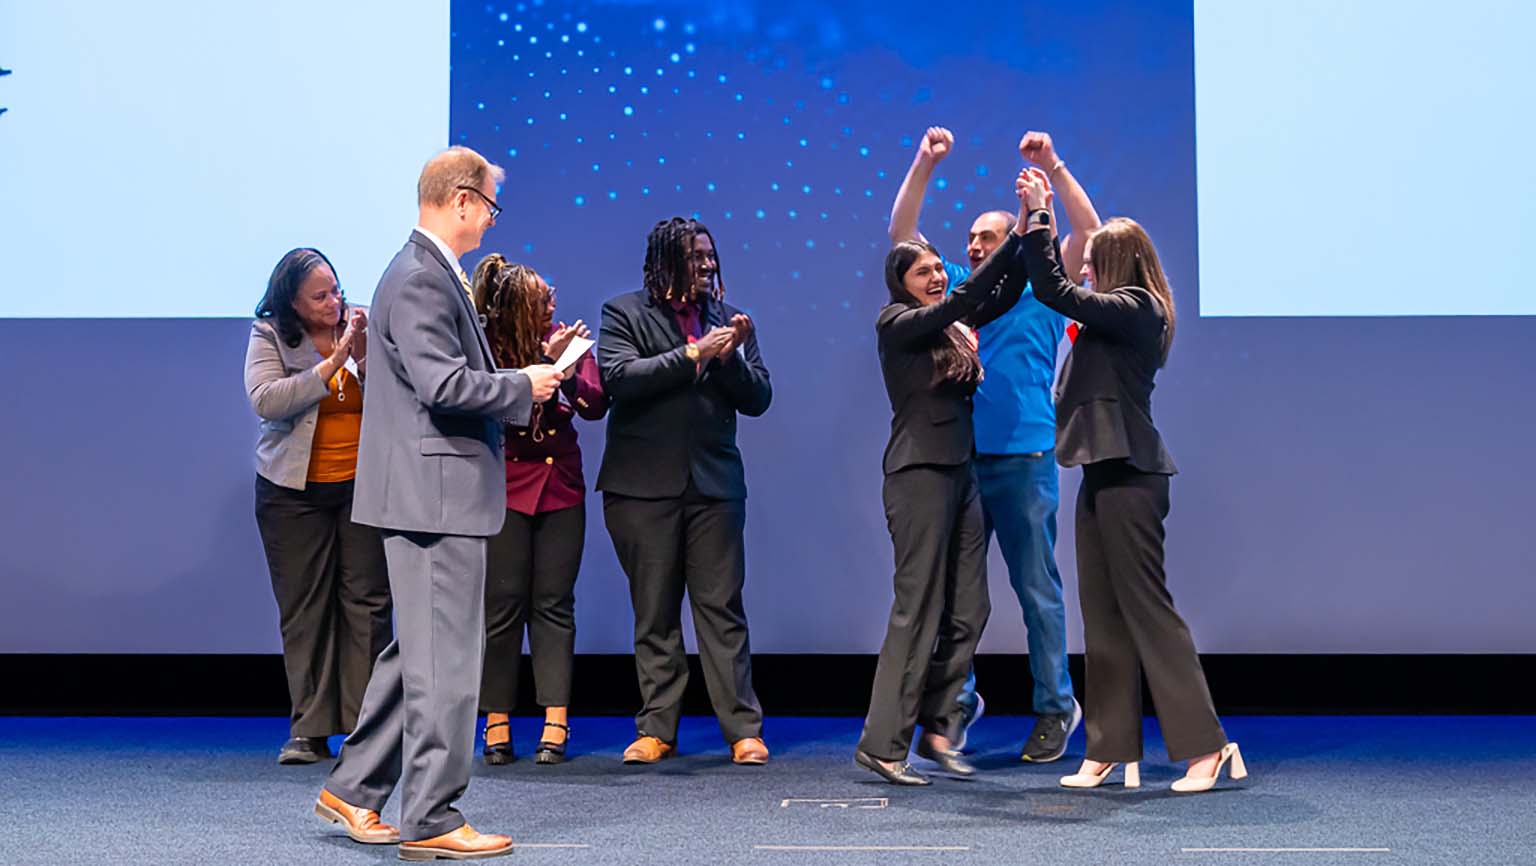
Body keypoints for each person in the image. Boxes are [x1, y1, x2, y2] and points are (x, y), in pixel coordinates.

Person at [312, 146, 565, 860]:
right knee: (446, 663)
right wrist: (526, 385)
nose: (489, 220)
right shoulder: (423, 277)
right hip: (433, 497)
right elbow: (442, 385)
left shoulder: (422, 271)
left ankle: (355, 787)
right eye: (489, 205)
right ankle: (431, 817)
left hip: (430, 494)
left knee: (415, 657)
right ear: (460, 199)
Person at [1013, 168, 1247, 793]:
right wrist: (1054, 187)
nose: (1084, 269)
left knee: (1147, 609)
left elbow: (1055, 288)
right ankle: (1109, 748)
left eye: (1092, 262)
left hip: (1134, 476)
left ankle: (1206, 748)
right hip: (1101, 474)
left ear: (1118, 264)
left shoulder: (1137, 309)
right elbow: (1068, 287)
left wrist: (1039, 216)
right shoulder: (1111, 315)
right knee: (1104, 615)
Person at [890, 127, 1103, 761]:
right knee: (961, 596)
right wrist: (924, 164)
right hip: (962, 459)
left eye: (990, 236)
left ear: (1015, 236)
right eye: (972, 241)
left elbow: (1089, 233)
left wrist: (1052, 172)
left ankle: (1056, 707)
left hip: (1028, 455)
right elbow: (903, 234)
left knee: (1037, 590)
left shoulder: (1044, 287)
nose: (977, 246)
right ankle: (956, 705)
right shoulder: (960, 289)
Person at [854, 185, 1034, 786]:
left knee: (971, 607)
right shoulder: (898, 322)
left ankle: (936, 720)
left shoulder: (950, 325)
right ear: (901, 282)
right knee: (917, 609)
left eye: (939, 267)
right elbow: (974, 292)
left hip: (960, 474)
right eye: (924, 271)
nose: (936, 276)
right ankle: (883, 743)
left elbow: (1001, 292)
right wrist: (1015, 234)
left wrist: (1030, 234)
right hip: (919, 476)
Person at [596, 216, 773, 766]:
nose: (708, 266)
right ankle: (657, 729)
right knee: (654, 612)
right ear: (665, 261)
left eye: (710, 257)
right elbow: (619, 378)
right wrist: (694, 355)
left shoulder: (728, 319)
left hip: (715, 486)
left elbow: (759, 397)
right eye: (696, 257)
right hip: (641, 489)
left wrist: (730, 357)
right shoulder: (623, 313)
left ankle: (743, 730)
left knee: (722, 608)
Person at [245, 248, 391, 765]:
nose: (334, 302)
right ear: (292, 303)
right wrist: (333, 363)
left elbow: (393, 400)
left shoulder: (360, 329)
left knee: (368, 605)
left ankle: (364, 727)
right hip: (292, 492)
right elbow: (267, 399)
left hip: (361, 485)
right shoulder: (269, 335)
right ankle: (309, 730)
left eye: (336, 290)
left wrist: (368, 355)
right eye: (319, 296)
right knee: (306, 609)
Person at [471, 255, 607, 765]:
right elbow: (498, 414)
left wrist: (568, 372)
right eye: (543, 300)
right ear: (517, 309)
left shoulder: (567, 340)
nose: (554, 305)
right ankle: (497, 720)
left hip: (559, 485)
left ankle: (556, 720)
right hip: (505, 486)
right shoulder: (488, 350)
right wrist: (542, 370)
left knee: (554, 603)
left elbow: (594, 405)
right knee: (502, 606)